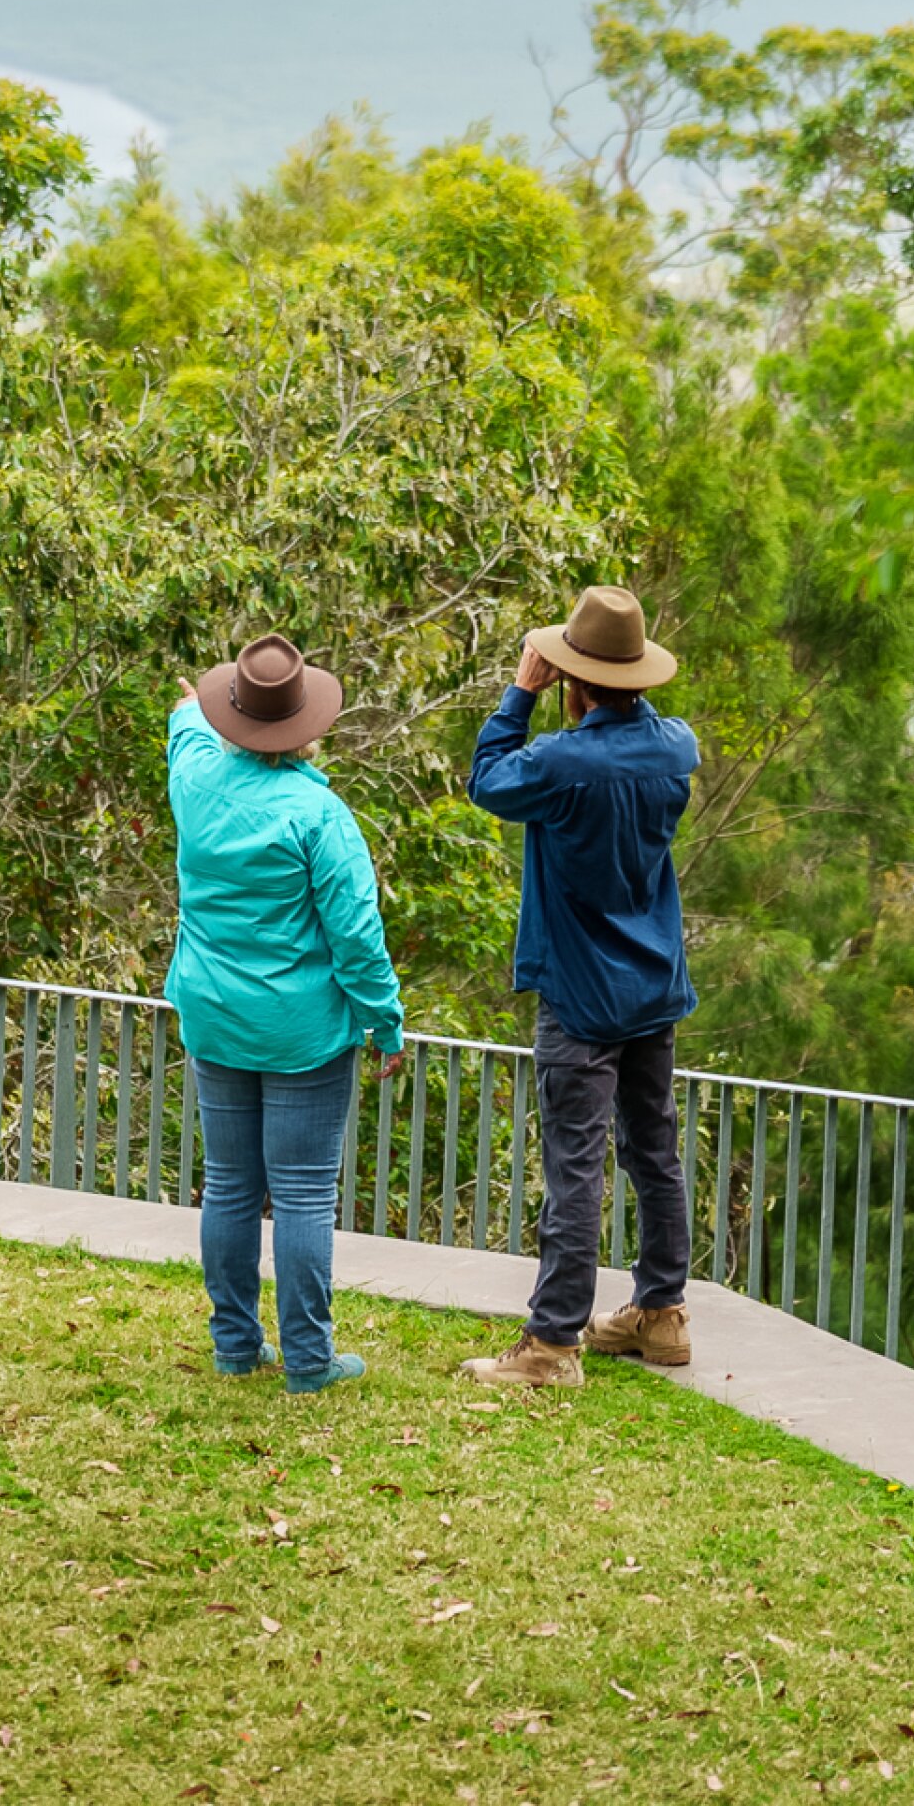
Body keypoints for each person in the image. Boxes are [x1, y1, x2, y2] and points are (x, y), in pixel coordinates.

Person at [460, 583, 700, 1389]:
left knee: (574, 1164)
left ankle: (553, 1343)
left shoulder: (561, 762)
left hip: (580, 991)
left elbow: (488, 779)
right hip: (653, 983)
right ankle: (661, 1312)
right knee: (654, 1150)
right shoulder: (674, 750)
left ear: (574, 679)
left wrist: (519, 692)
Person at [166, 631, 405, 1395]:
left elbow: (184, 724)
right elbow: (357, 937)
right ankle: (308, 1358)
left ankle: (235, 1343)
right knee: (302, 1190)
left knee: (230, 1182)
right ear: (308, 722)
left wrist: (193, 704)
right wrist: (385, 1020)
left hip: (215, 1015)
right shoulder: (320, 815)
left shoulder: (195, 780)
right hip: (302, 1030)